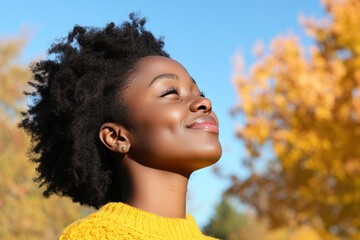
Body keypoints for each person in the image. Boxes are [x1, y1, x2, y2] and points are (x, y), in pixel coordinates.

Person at [20, 13, 222, 240]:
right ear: (117, 138)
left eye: (199, 93)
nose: (204, 102)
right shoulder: (93, 237)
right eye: (170, 92)